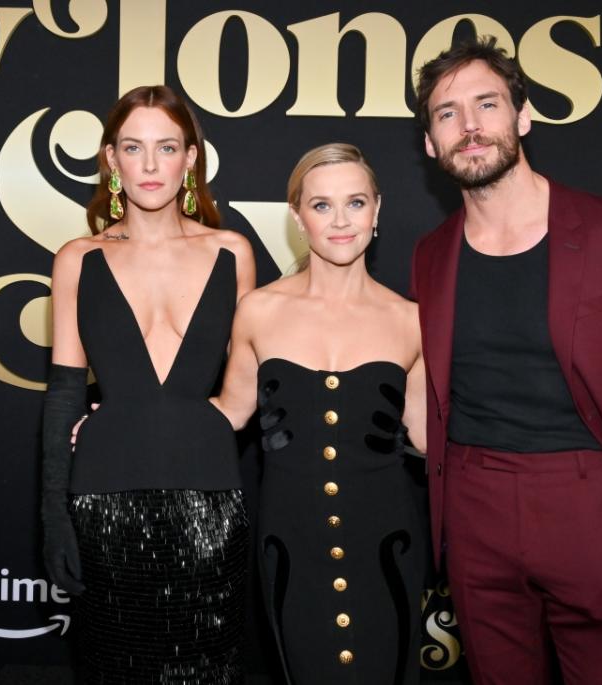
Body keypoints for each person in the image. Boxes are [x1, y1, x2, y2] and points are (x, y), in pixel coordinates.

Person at [409, 38, 602, 685]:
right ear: (430, 145)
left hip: (596, 508)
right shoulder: (430, 254)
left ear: (523, 116)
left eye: (486, 104)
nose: (469, 126)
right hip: (475, 509)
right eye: (447, 113)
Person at [40, 85, 255, 684]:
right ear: (112, 159)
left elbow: (249, 384)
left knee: (209, 671)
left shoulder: (232, 252)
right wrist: (53, 517)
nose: (151, 164)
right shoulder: (77, 258)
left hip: (210, 501)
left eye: (167, 147)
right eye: (134, 147)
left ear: (191, 159)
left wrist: (190, 419)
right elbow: (62, 393)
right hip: (103, 500)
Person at [210, 143, 427, 684]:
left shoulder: (411, 321)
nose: (340, 221)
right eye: (322, 205)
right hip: (289, 541)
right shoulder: (259, 310)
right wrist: (126, 423)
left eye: (355, 203)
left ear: (377, 210)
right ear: (297, 216)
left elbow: (429, 440)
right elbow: (229, 413)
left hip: (388, 540)